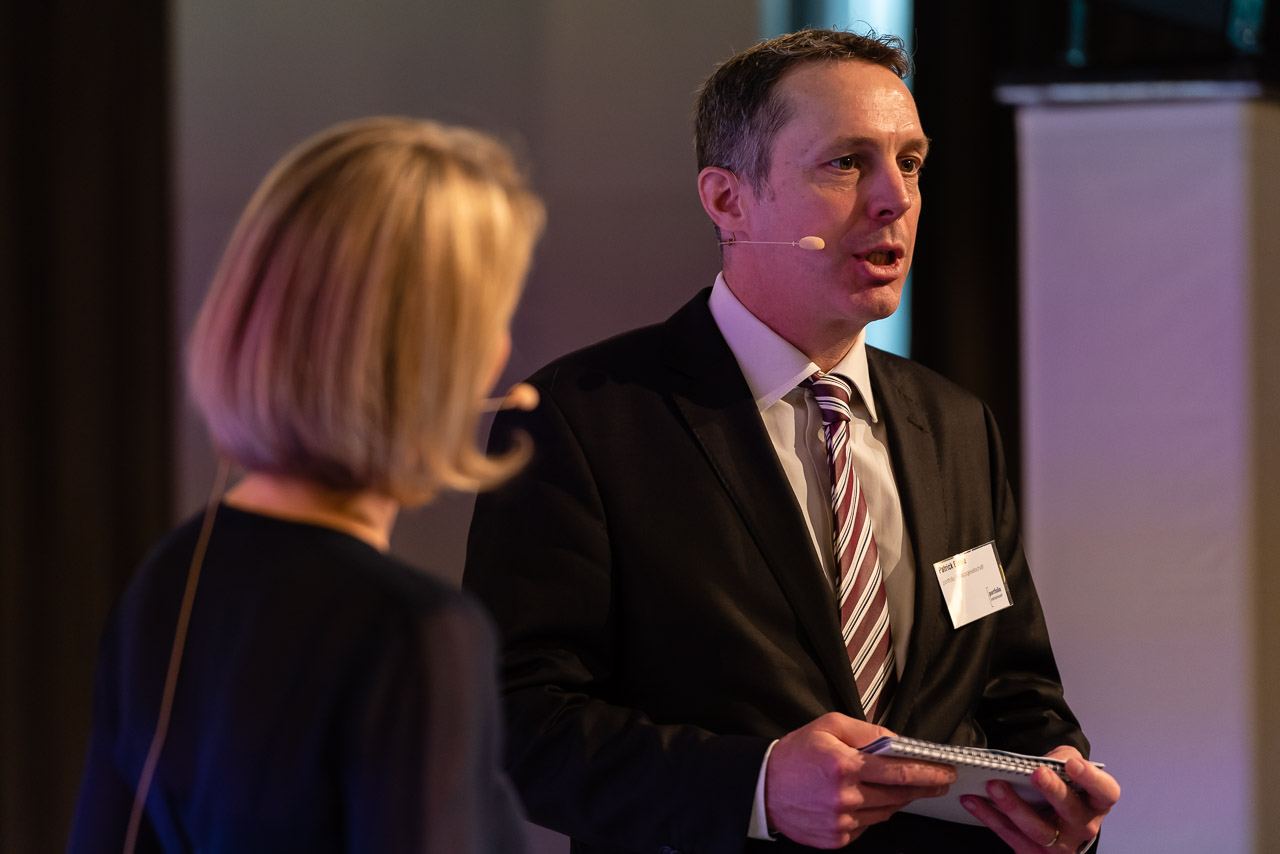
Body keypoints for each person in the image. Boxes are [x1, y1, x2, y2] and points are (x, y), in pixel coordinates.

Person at [464, 29, 1120, 853]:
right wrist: (754, 786)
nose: (894, 199)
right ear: (727, 199)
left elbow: (1014, 688)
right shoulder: (586, 419)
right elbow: (516, 722)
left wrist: (1055, 790)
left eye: (910, 163)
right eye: (846, 163)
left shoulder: (955, 423)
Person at [69, 117, 544, 852]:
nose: (502, 349)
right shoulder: (416, 634)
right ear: (435, 355)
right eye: (493, 317)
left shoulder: (172, 573)